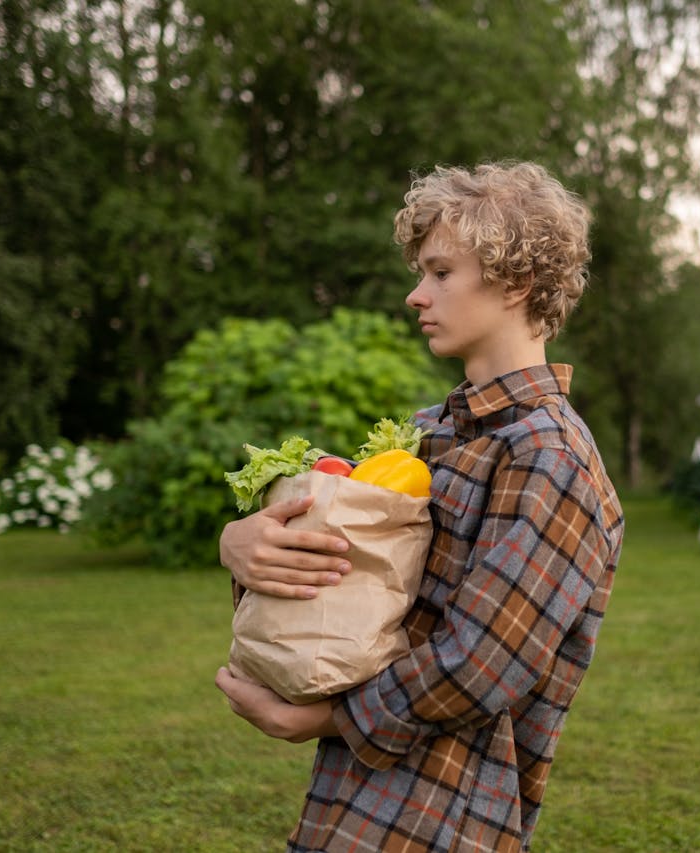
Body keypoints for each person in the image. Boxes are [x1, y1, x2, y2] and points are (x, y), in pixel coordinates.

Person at [216, 161, 625, 852]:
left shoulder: (551, 457)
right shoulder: (429, 431)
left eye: (440, 272)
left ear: (517, 281)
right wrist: (244, 546)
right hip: (354, 798)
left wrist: (322, 718)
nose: (416, 294)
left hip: (449, 812)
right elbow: (347, 592)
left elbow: (484, 660)